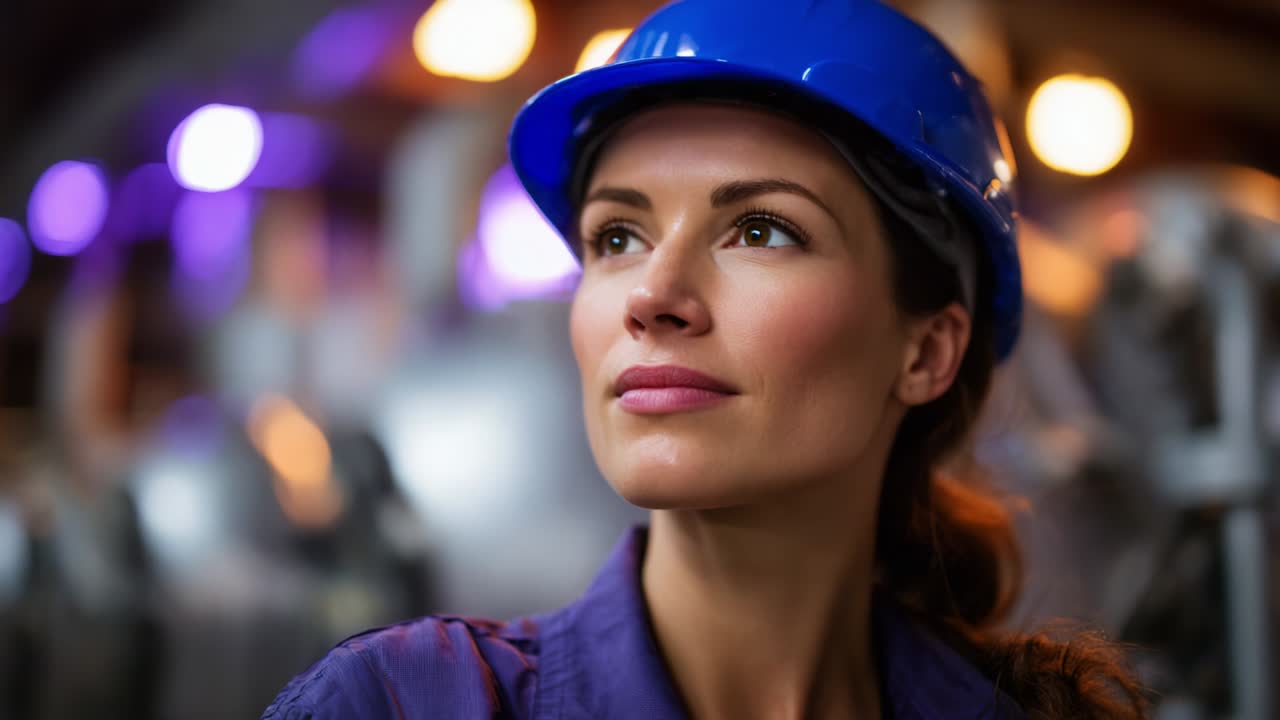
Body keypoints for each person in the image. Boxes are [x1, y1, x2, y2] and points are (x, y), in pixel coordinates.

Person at [264, 0, 1149, 717]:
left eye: (760, 229)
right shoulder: (404, 704)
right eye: (617, 235)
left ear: (926, 350)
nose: (651, 295)